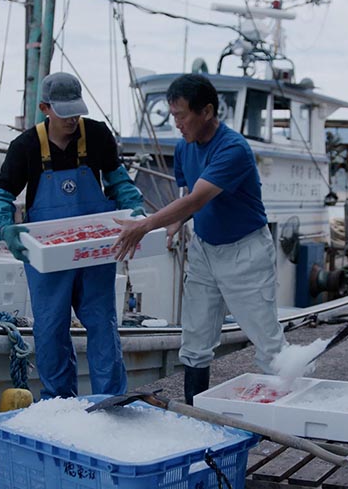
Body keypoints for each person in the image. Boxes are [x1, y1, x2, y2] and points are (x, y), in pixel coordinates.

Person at [113, 74, 287, 405]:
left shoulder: (233, 148)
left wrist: (145, 225)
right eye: (172, 115)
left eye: (180, 115)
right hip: (205, 248)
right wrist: (176, 222)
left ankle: (280, 414)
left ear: (206, 111)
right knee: (194, 338)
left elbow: (198, 198)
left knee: (266, 340)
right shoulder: (184, 147)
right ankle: (195, 412)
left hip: (244, 250)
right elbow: (191, 199)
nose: (176, 123)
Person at [0, 72, 145, 399]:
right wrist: (4, 226)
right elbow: (1, 193)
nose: (72, 119)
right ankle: (59, 405)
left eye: (76, 111)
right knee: (50, 331)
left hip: (93, 251)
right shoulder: (25, 146)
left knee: (102, 327)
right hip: (48, 257)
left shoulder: (98, 135)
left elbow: (119, 182)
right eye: (64, 112)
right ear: (45, 107)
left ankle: (112, 402)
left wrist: (135, 212)